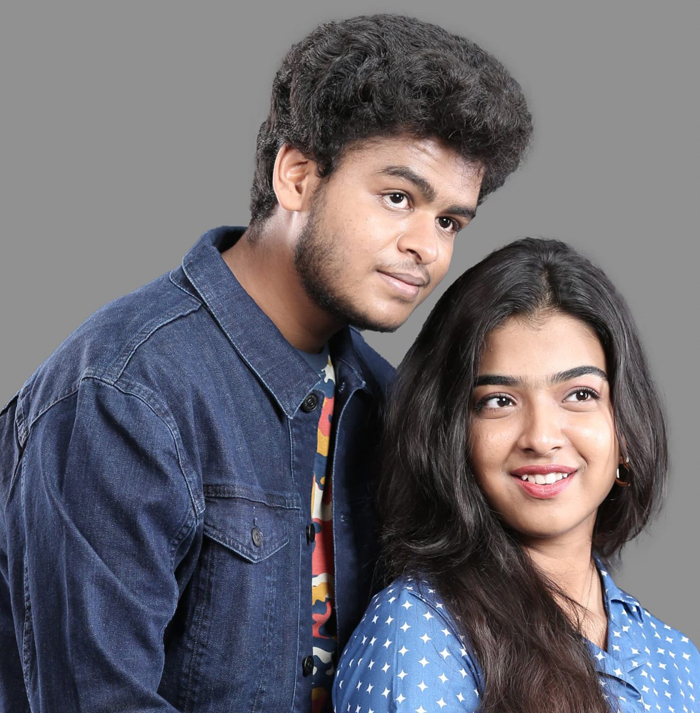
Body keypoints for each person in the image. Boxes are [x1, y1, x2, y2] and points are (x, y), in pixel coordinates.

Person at [0, 14, 532, 713]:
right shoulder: (123, 394)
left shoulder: (389, 403)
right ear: (297, 176)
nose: (427, 249)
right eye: (398, 198)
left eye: (449, 221)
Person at [334, 238, 700, 713]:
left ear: (626, 428)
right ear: (451, 435)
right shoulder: (420, 632)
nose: (541, 438)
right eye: (499, 401)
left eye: (580, 395)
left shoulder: (678, 661)